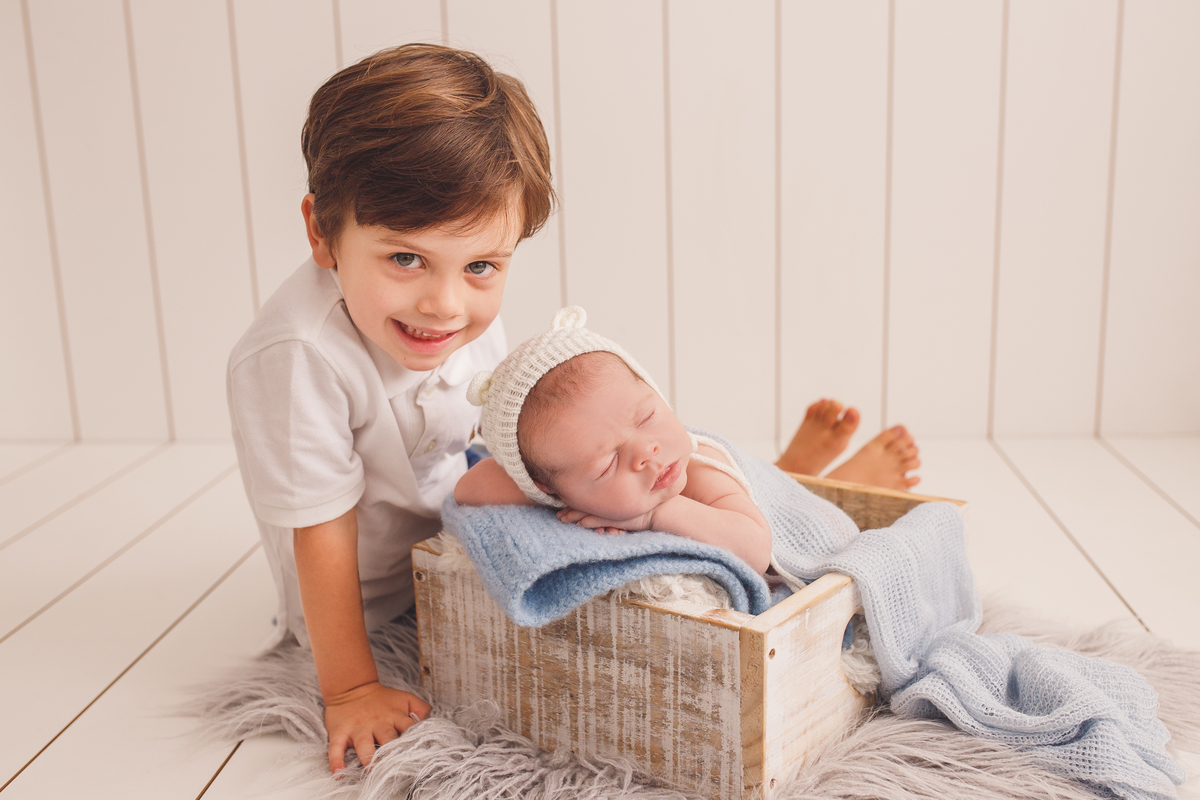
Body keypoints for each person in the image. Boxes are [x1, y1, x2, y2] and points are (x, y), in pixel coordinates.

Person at [226, 44, 554, 774]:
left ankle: (745, 493)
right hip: (378, 601)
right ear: (322, 232)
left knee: (609, 470)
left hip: (463, 544)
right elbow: (320, 530)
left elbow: (500, 432)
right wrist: (349, 686)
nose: (444, 304)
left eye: (480, 266)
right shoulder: (300, 357)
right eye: (405, 259)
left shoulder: (456, 308)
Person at [454, 307, 920, 575]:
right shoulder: (559, 483)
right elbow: (468, 488)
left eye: (648, 416)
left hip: (789, 520)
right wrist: (545, 496)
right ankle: (791, 464)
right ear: (555, 488)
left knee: (814, 513)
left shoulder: (697, 468)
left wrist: (655, 512)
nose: (647, 453)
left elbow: (757, 549)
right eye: (606, 464)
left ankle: (827, 475)